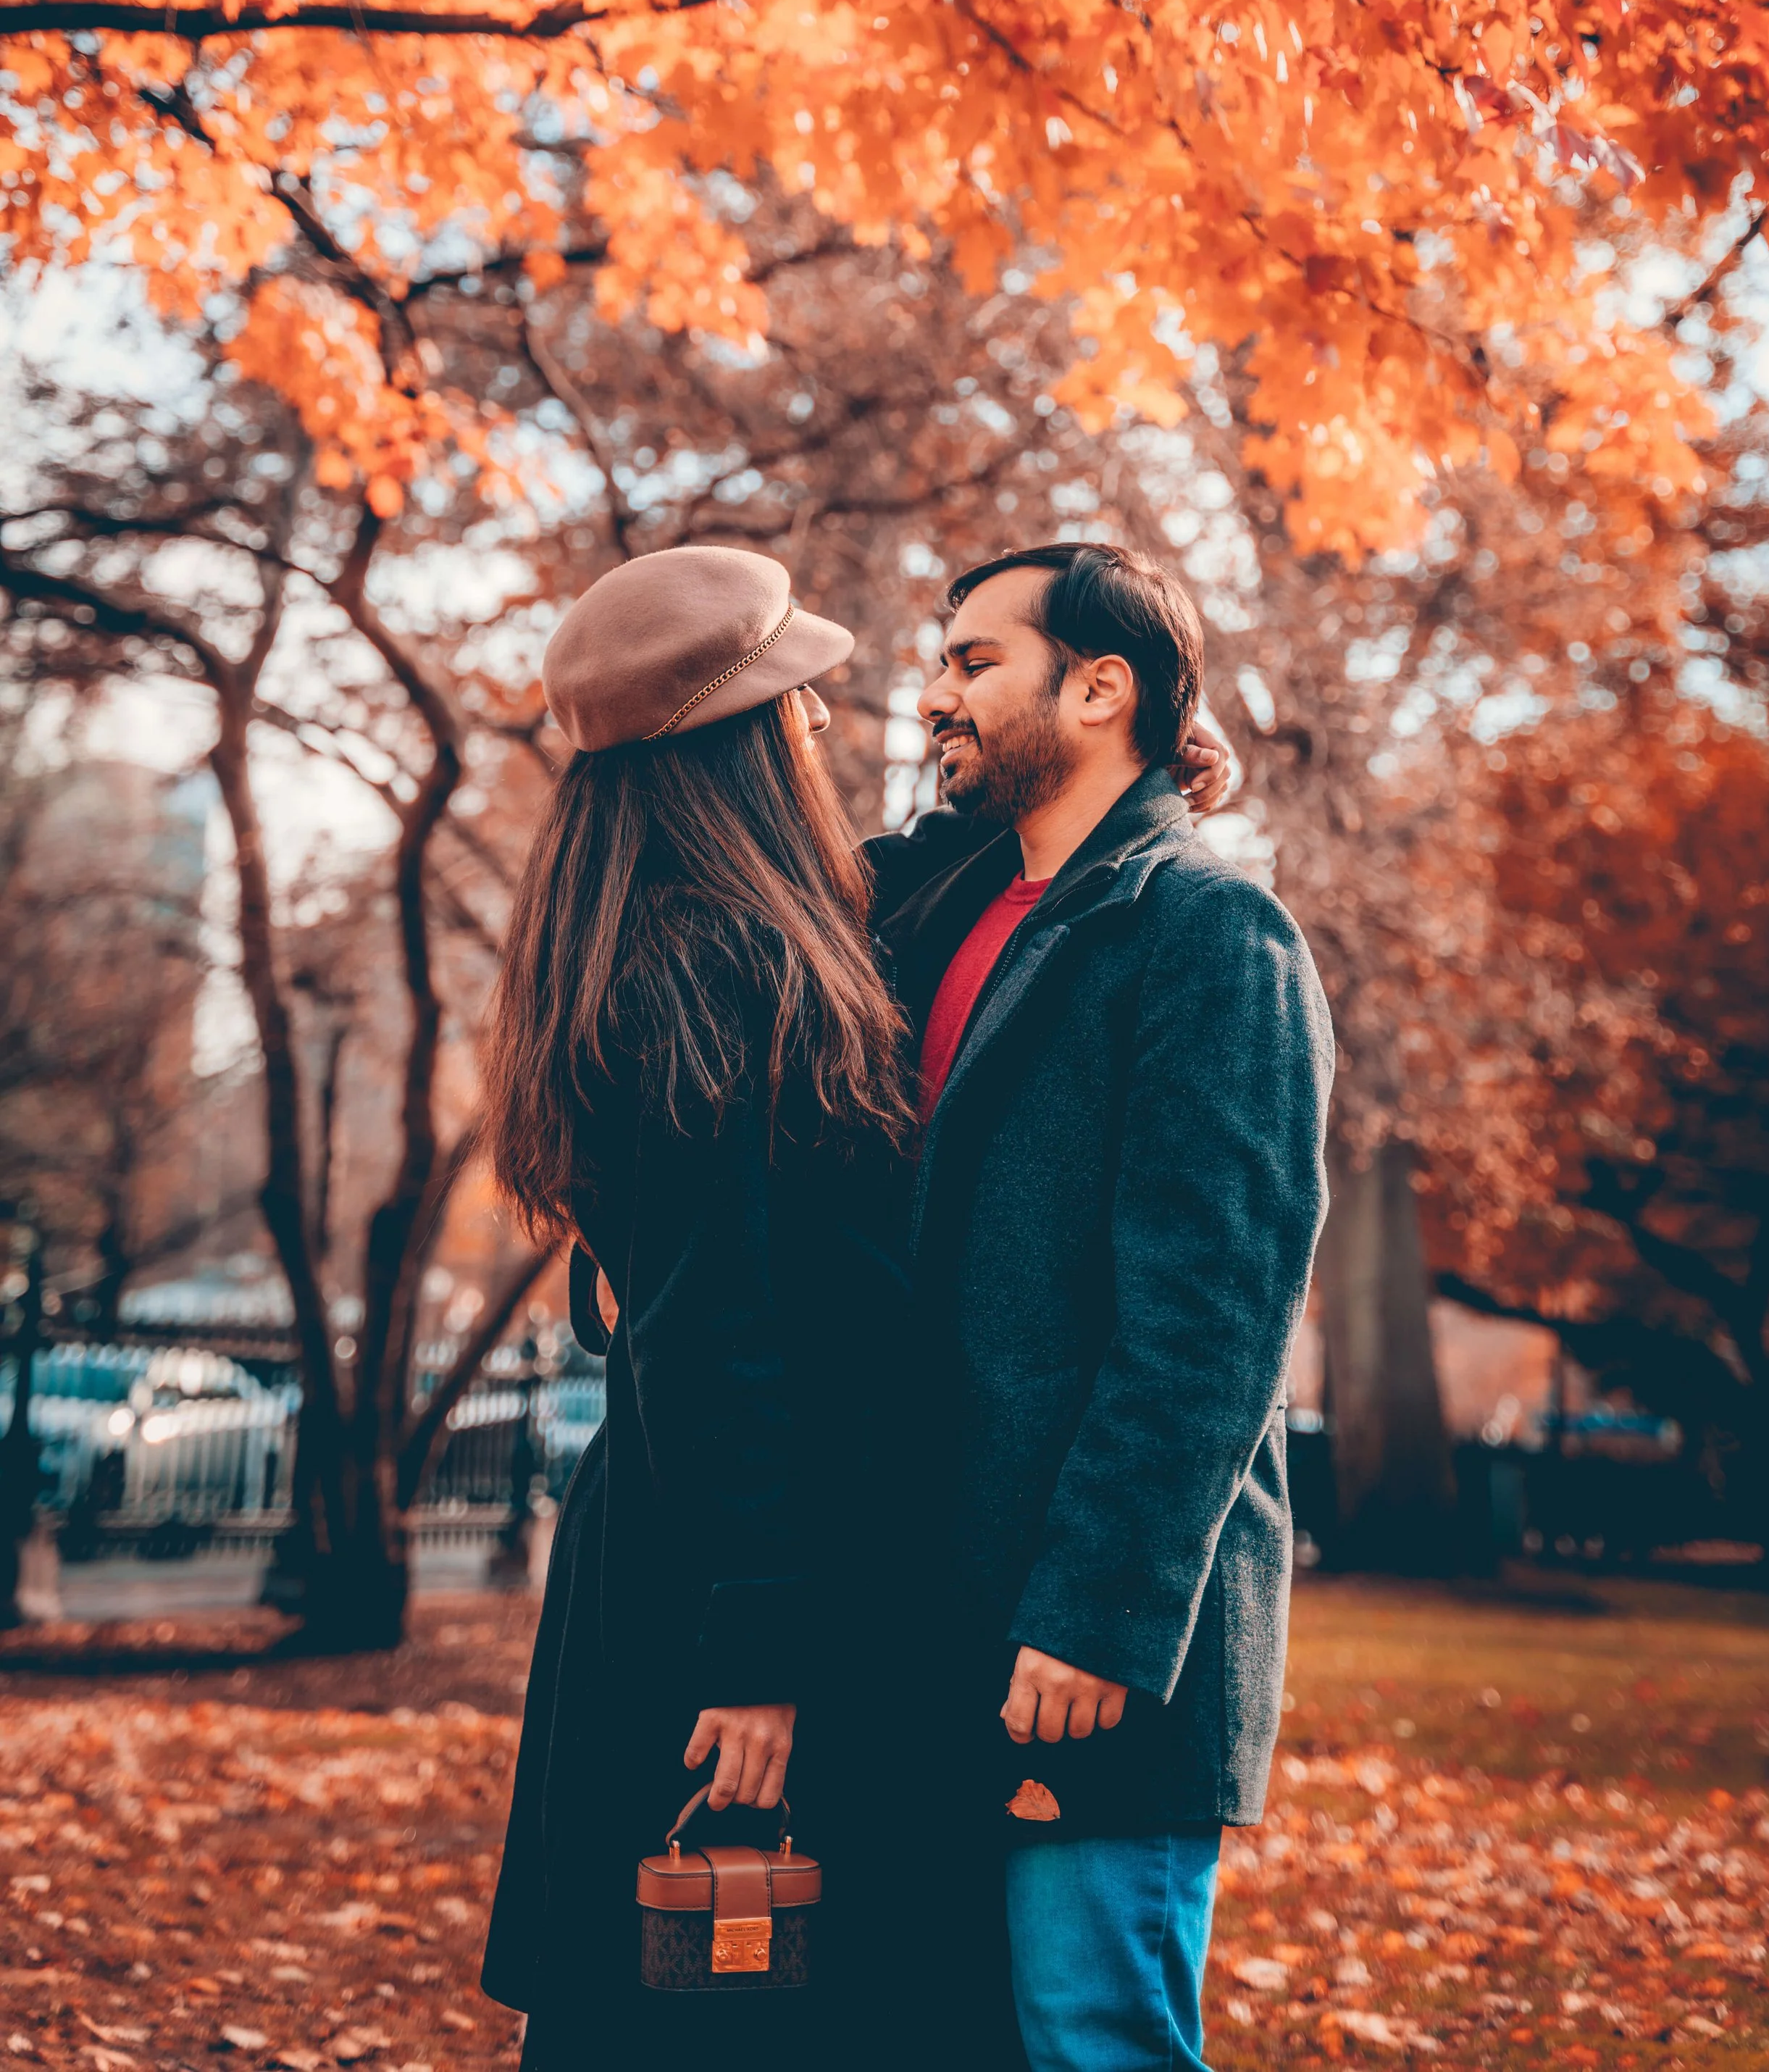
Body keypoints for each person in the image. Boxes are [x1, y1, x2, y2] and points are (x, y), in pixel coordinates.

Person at [867, 540, 1334, 2072]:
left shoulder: (1210, 936)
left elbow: (1208, 1328)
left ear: (1096, 686)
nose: (936, 694)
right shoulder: (938, 912)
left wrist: (1093, 1620)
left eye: (971, 662)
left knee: (1090, 2040)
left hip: (1094, 1650)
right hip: (931, 1626)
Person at [477, 546, 917, 2072]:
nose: (817, 727)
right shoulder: (707, 969)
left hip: (689, 1542)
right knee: (704, 2010)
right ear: (742, 743)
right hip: (724, 1576)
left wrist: (1143, 777)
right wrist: (756, 1652)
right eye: (792, 700)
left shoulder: (660, 936)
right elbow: (723, 1333)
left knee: (673, 2007)